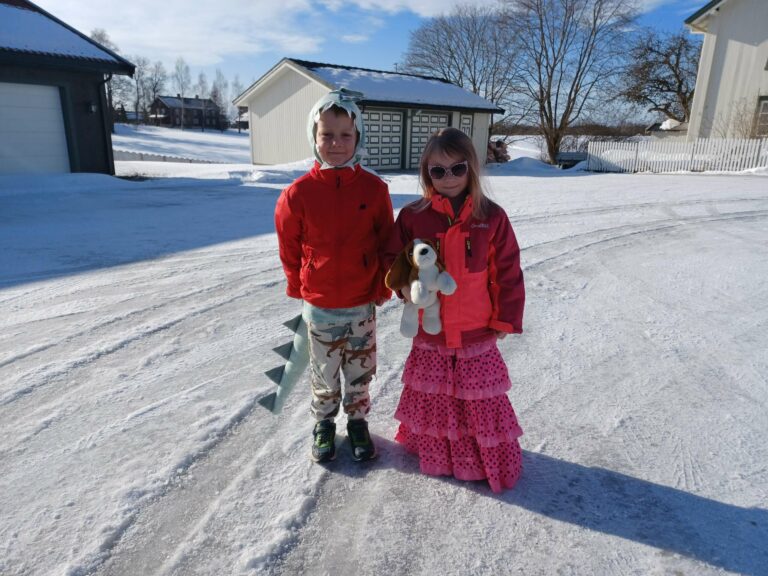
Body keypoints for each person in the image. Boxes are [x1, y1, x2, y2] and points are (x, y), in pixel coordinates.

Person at [384, 127, 525, 492]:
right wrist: (406, 291)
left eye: (457, 168)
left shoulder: (491, 217)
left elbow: (507, 271)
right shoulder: (414, 215)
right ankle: (439, 453)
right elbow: (395, 260)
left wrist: (504, 318)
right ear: (425, 173)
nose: (448, 178)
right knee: (436, 397)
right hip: (431, 329)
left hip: (476, 328)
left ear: (472, 169)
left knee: (478, 399)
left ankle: (480, 457)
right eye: (438, 171)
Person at [274, 90, 394, 463]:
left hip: (361, 303)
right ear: (314, 136)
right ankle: (324, 423)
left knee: (360, 370)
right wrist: (299, 285)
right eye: (327, 135)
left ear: (358, 138)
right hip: (321, 306)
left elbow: (386, 242)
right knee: (323, 373)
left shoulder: (374, 190)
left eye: (345, 135)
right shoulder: (299, 194)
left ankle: (357, 421)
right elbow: (288, 245)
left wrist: (382, 285)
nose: (336, 144)